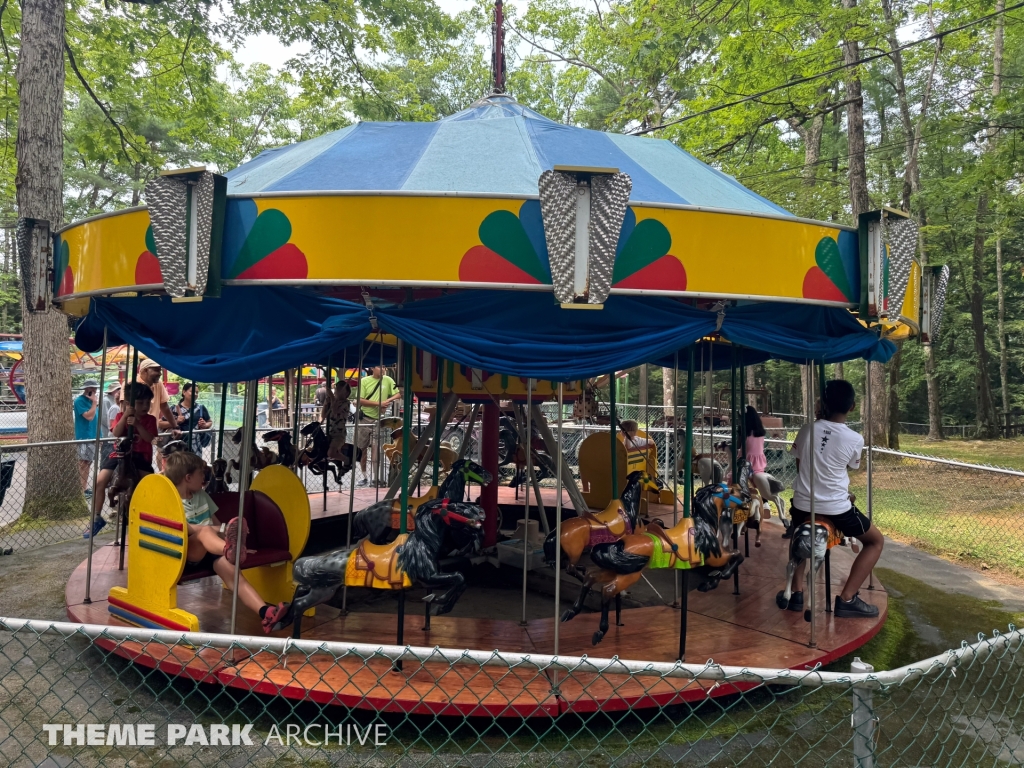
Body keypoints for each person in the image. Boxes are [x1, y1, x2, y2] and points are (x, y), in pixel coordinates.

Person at [788, 379, 882, 619]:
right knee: (874, 541)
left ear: (823, 403)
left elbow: (801, 466)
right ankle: (848, 597)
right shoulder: (854, 438)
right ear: (851, 407)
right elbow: (848, 467)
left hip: (803, 503)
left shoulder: (807, 430)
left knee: (798, 531)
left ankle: (796, 592)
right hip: (835, 508)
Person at [165, 451, 286, 633]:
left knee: (236, 576)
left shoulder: (202, 496)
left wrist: (231, 539)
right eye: (201, 474)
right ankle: (230, 550)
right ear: (188, 478)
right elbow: (191, 529)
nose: (205, 477)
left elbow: (215, 523)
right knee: (204, 531)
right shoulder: (171, 502)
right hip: (186, 554)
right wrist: (223, 532)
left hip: (213, 551)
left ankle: (266, 613)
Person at [86, 383, 158, 538]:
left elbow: (150, 438)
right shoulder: (120, 416)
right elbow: (117, 433)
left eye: (147, 403)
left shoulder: (150, 420)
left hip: (140, 456)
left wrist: (137, 424)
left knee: (149, 484)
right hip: (120, 454)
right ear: (128, 404)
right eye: (140, 403)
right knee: (100, 481)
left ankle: (149, 514)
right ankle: (97, 517)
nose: (145, 406)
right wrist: (125, 416)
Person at [355, 365, 400, 486]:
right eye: (380, 366)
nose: (383, 369)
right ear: (372, 368)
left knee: (377, 449)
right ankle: (364, 475)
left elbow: (398, 394)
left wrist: (387, 402)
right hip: (364, 419)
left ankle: (376, 477)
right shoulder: (364, 381)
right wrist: (379, 403)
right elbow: (360, 399)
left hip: (379, 420)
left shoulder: (388, 380)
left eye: (384, 366)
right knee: (362, 449)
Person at [74, 379, 101, 495]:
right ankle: (81, 488)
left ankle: (84, 487)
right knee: (83, 462)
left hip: (93, 435)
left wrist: (100, 436)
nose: (93, 390)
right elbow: (89, 417)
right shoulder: (80, 401)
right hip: (84, 436)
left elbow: (95, 420)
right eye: (91, 388)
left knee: (88, 462)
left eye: (94, 388)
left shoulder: (92, 401)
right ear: (86, 389)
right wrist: (94, 403)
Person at [171, 383, 212, 456]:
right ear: (184, 392)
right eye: (192, 391)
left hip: (197, 447)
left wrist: (205, 425)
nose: (195, 394)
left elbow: (209, 422)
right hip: (179, 447)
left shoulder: (201, 408)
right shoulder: (174, 408)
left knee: (195, 466)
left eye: (197, 392)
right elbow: (160, 423)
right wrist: (176, 421)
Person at [100, 382, 122, 464]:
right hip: (108, 435)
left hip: (114, 434)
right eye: (118, 389)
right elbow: (104, 418)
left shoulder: (113, 401)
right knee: (107, 461)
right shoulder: (106, 400)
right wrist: (114, 428)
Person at [743, 405, 768, 474]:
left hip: (746, 461)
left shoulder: (745, 432)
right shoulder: (760, 432)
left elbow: (738, 445)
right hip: (759, 463)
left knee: (731, 476)